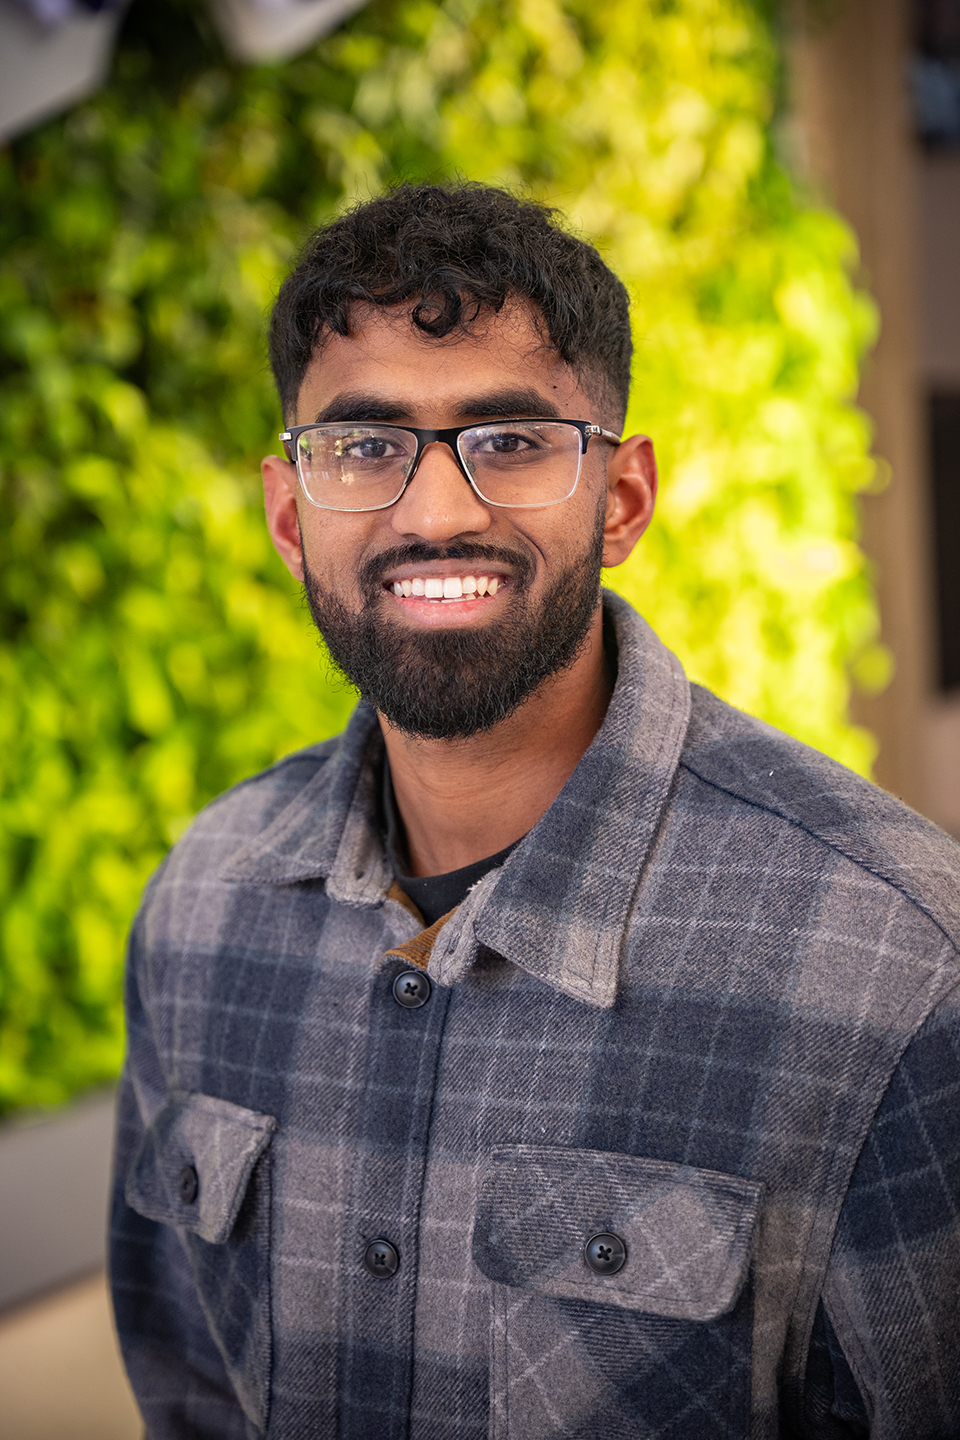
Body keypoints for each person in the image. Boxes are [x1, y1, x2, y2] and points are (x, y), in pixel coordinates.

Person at [110, 182, 960, 1440]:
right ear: (293, 519)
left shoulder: (894, 960)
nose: (439, 510)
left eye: (509, 440)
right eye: (365, 445)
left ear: (620, 501)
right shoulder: (203, 901)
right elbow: (185, 1389)